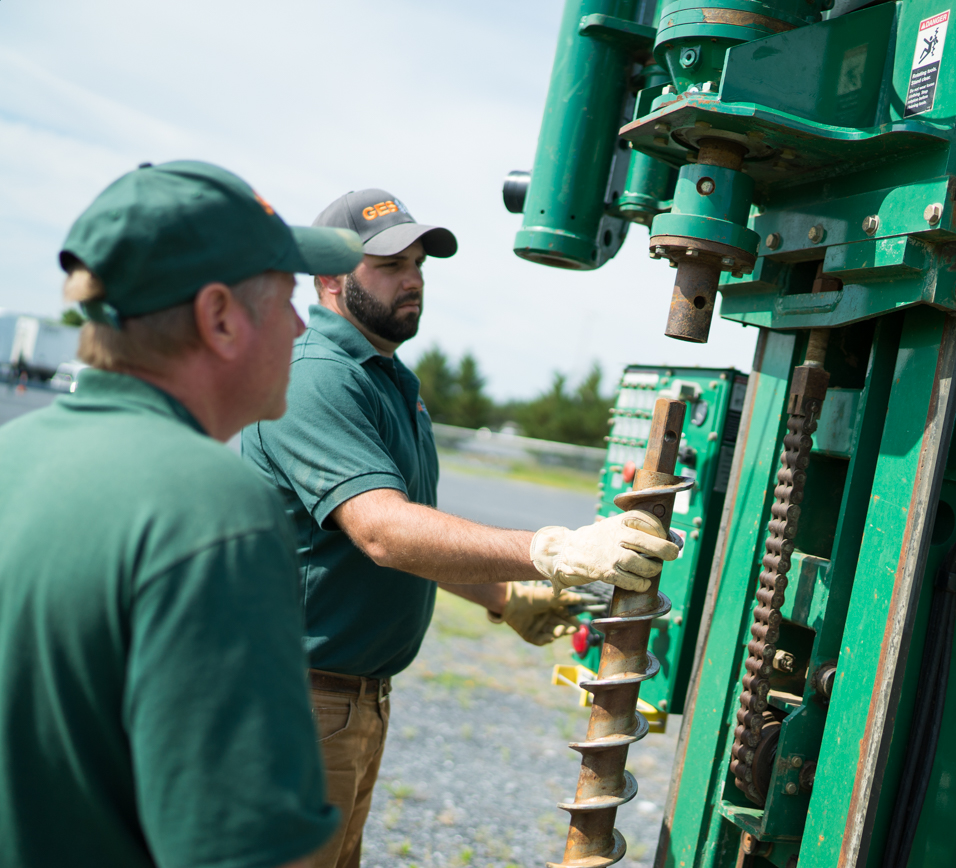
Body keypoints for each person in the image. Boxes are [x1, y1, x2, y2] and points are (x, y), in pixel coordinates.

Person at [241, 188, 678, 868]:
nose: (412, 278)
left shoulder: (389, 380)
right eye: (388, 264)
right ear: (329, 277)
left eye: (418, 262)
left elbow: (409, 544)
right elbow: (384, 532)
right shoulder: (319, 377)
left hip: (352, 704)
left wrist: (503, 595)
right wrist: (553, 551)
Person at [0, 161, 367, 867]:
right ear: (220, 317)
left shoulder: (13, 453)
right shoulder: (212, 508)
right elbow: (242, 850)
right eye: (287, 297)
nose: (300, 327)